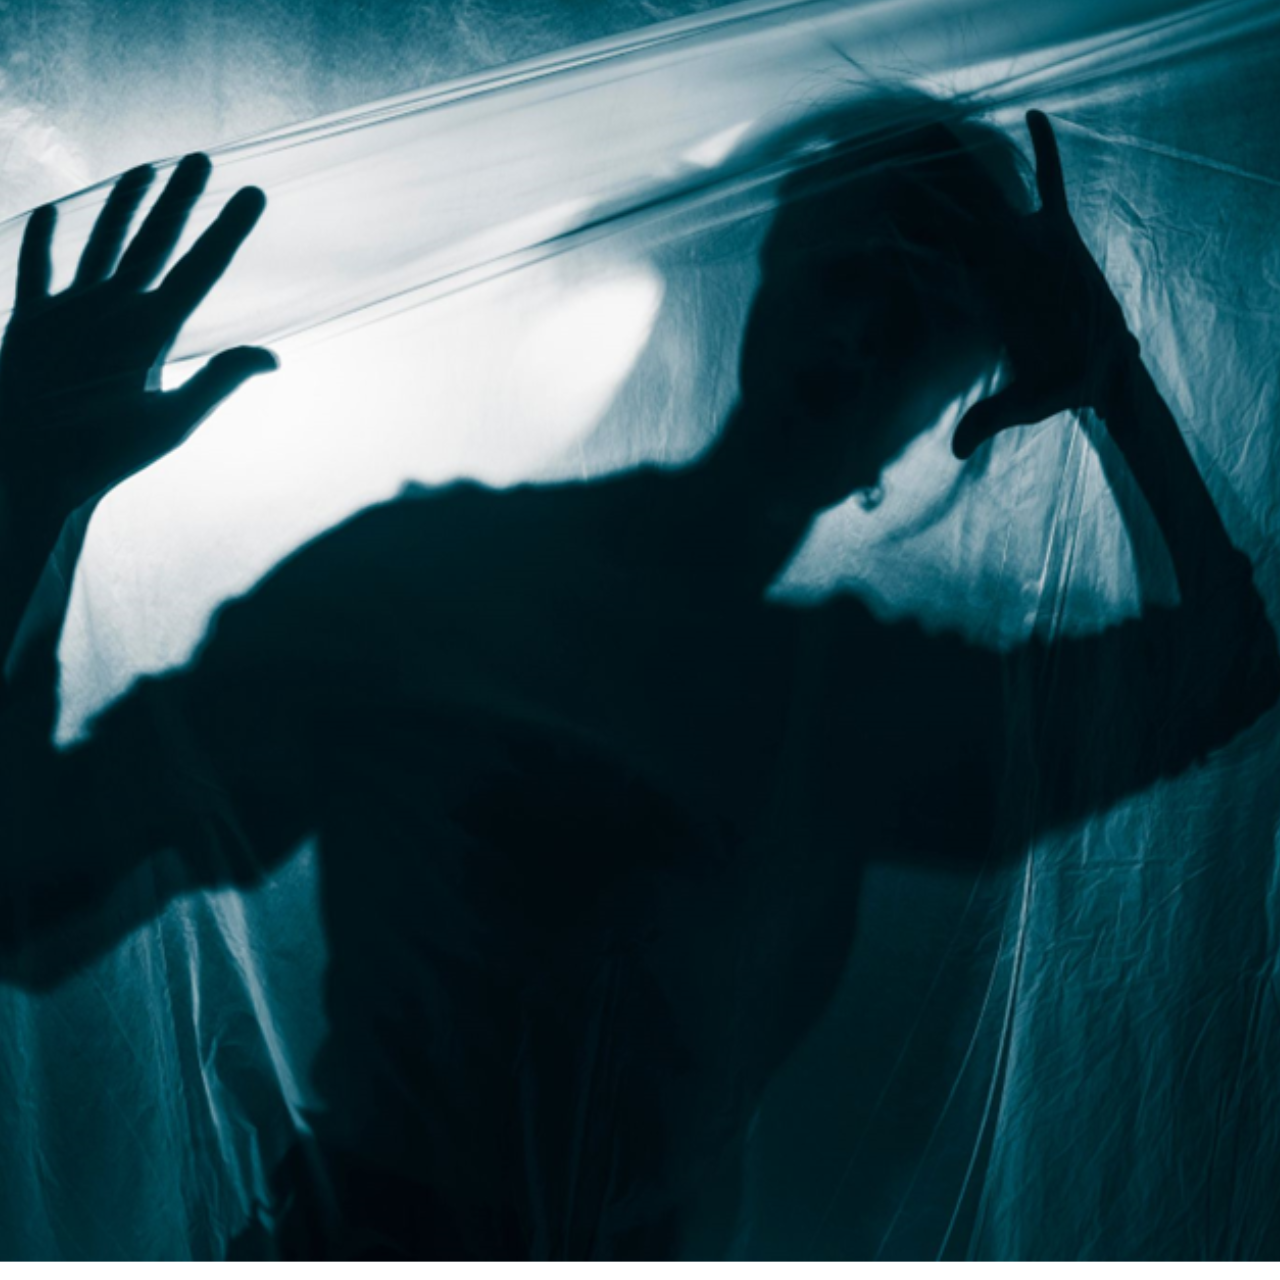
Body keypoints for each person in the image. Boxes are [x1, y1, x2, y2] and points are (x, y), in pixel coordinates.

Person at [0, 101, 1275, 1259]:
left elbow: (1222, 672)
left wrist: (1108, 371)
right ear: (771, 270)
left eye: (915, 312)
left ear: (952, 391)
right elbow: (34, 877)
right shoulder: (426, 578)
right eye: (844, 267)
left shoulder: (854, 704)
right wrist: (27, 492)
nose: (855, 333)